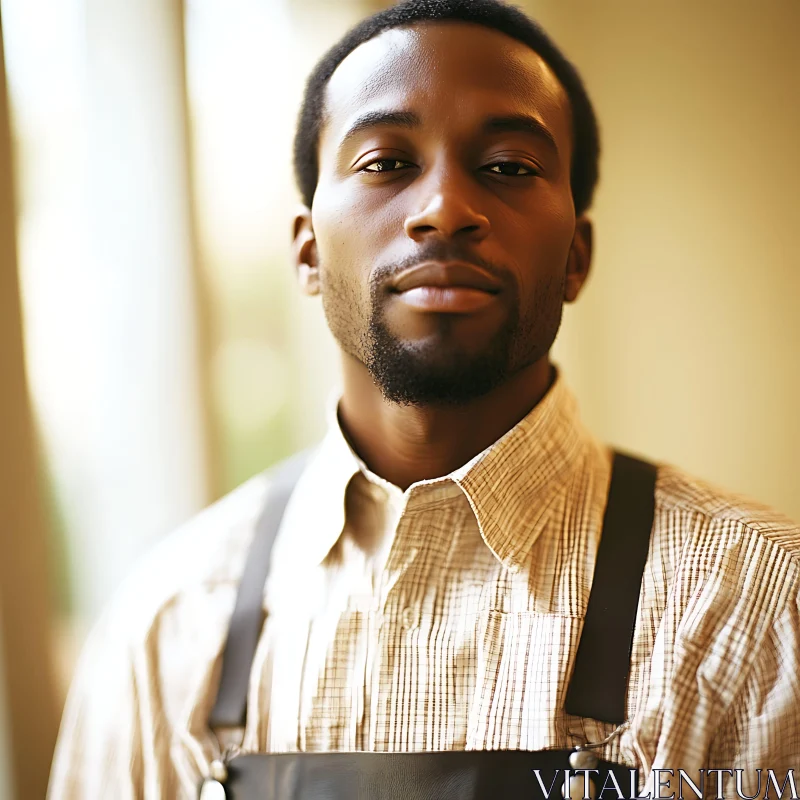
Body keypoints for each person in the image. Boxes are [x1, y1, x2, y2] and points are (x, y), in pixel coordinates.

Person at [48, 1, 800, 798]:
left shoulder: (761, 609)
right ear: (307, 251)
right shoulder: (163, 628)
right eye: (385, 163)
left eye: (509, 166)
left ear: (576, 257)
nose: (444, 209)